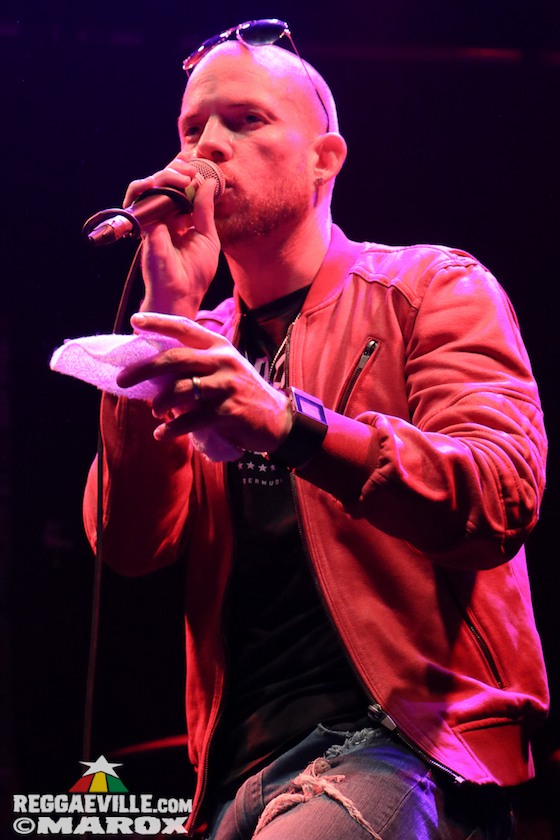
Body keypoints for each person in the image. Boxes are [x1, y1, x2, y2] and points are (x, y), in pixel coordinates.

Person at [83, 19, 548, 840]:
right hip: (232, 778)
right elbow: (129, 543)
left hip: (405, 745)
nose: (207, 147)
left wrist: (289, 423)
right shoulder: (200, 341)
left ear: (324, 159)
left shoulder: (432, 288)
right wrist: (166, 314)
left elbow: (498, 496)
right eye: (192, 129)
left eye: (246, 120)